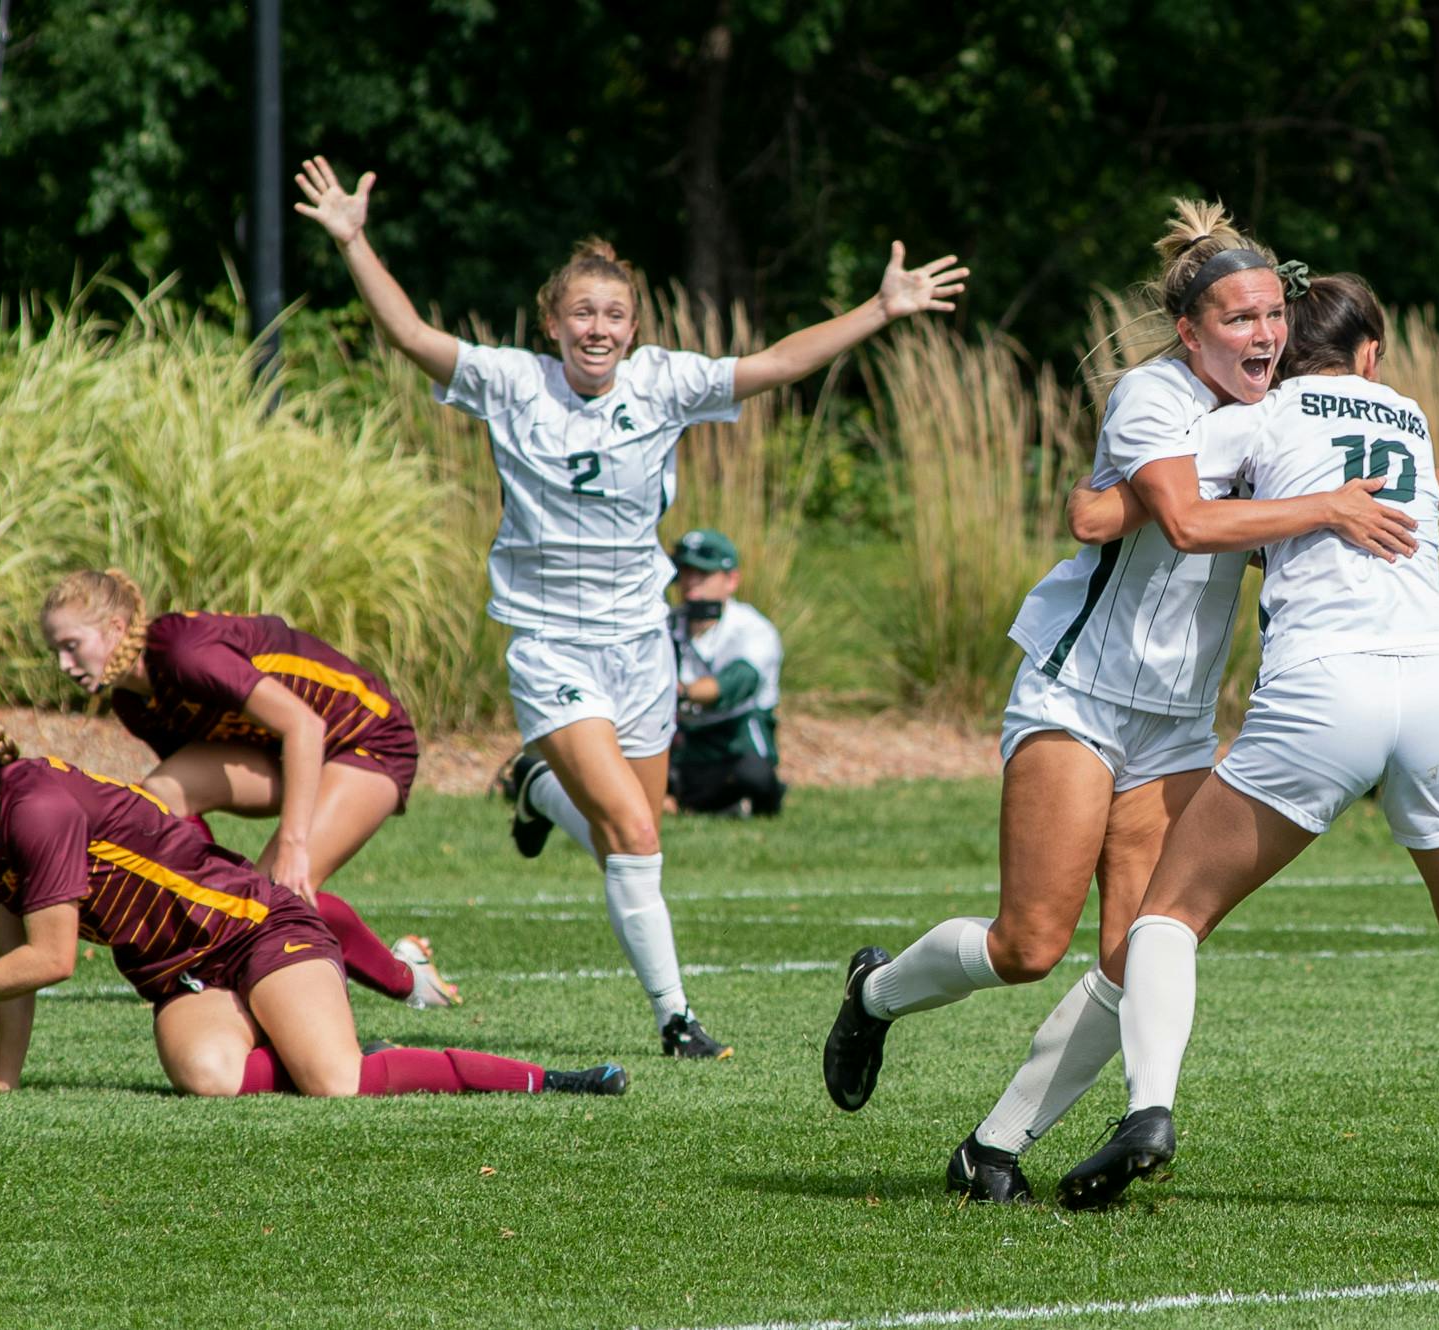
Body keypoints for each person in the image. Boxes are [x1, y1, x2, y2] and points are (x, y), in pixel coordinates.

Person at [821, 200, 1439, 1206]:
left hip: (1177, 714)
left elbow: (1367, 473)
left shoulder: (1266, 408)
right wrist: (1298, 504)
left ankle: (995, 1147)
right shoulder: (1151, 396)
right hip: (1082, 691)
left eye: (1270, 317)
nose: (1262, 334)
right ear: (1186, 331)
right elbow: (1170, 520)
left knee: (1135, 944)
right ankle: (876, 992)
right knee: (1027, 943)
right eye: (1237, 320)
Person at [294, 153, 966, 1057]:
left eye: (613, 314)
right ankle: (675, 1017)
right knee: (637, 829)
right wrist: (354, 240)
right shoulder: (511, 380)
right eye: (581, 313)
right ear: (552, 322)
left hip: (641, 644)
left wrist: (879, 311)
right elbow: (412, 335)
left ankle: (537, 789)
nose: (597, 329)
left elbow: (772, 365)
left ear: (634, 325)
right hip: (551, 646)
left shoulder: (664, 382)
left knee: (634, 841)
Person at [1053, 274, 1439, 1217]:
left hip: (1327, 686)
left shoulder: (1263, 412)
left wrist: (1111, 492)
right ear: (1370, 352)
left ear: (1289, 345)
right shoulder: (1405, 414)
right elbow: (1398, 488)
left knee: (1168, 915)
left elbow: (1122, 511)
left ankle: (1148, 1111)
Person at [0, 707, 626, 1100]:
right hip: (180, 972)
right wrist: (4, 1079)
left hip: (255, 927)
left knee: (336, 1084)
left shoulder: (37, 810)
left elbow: (52, 960)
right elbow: (12, 962)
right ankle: (308, 1031)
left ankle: (544, 1080)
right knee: (211, 1078)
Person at [39, 569, 460, 1011]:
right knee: (162, 798)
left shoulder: (183, 653)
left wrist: (293, 845)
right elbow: (193, 795)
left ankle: (408, 977)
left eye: (71, 646)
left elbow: (305, 724)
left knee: (276, 898)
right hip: (287, 754)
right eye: (56, 651)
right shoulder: (132, 702)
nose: (64, 665)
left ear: (116, 629)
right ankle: (201, 938)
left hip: (364, 739)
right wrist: (204, 903)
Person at [666, 529, 785, 818]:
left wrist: (681, 692)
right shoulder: (665, 623)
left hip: (734, 737)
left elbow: (736, 683)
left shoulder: (752, 628)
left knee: (753, 776)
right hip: (681, 739)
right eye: (685, 572)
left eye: (703, 574)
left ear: (732, 580)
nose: (691, 583)